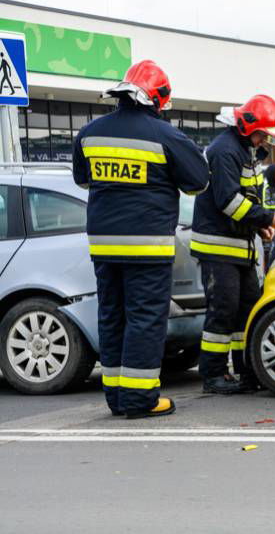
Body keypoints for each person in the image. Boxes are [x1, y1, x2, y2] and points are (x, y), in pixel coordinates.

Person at [71, 60, 209, 419]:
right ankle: (140, 399)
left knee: (112, 315)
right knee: (145, 319)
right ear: (159, 98)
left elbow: (82, 181)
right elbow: (198, 182)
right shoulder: (166, 136)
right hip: (147, 244)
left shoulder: (89, 132)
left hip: (103, 244)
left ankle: (116, 396)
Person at [191, 94, 275, 394]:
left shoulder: (244, 150)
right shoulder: (224, 150)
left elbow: (246, 199)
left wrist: (259, 227)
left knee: (246, 310)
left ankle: (247, 370)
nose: (265, 142)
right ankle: (213, 376)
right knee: (223, 310)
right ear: (249, 127)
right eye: (263, 135)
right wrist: (266, 219)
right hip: (219, 246)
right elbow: (228, 201)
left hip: (239, 245)